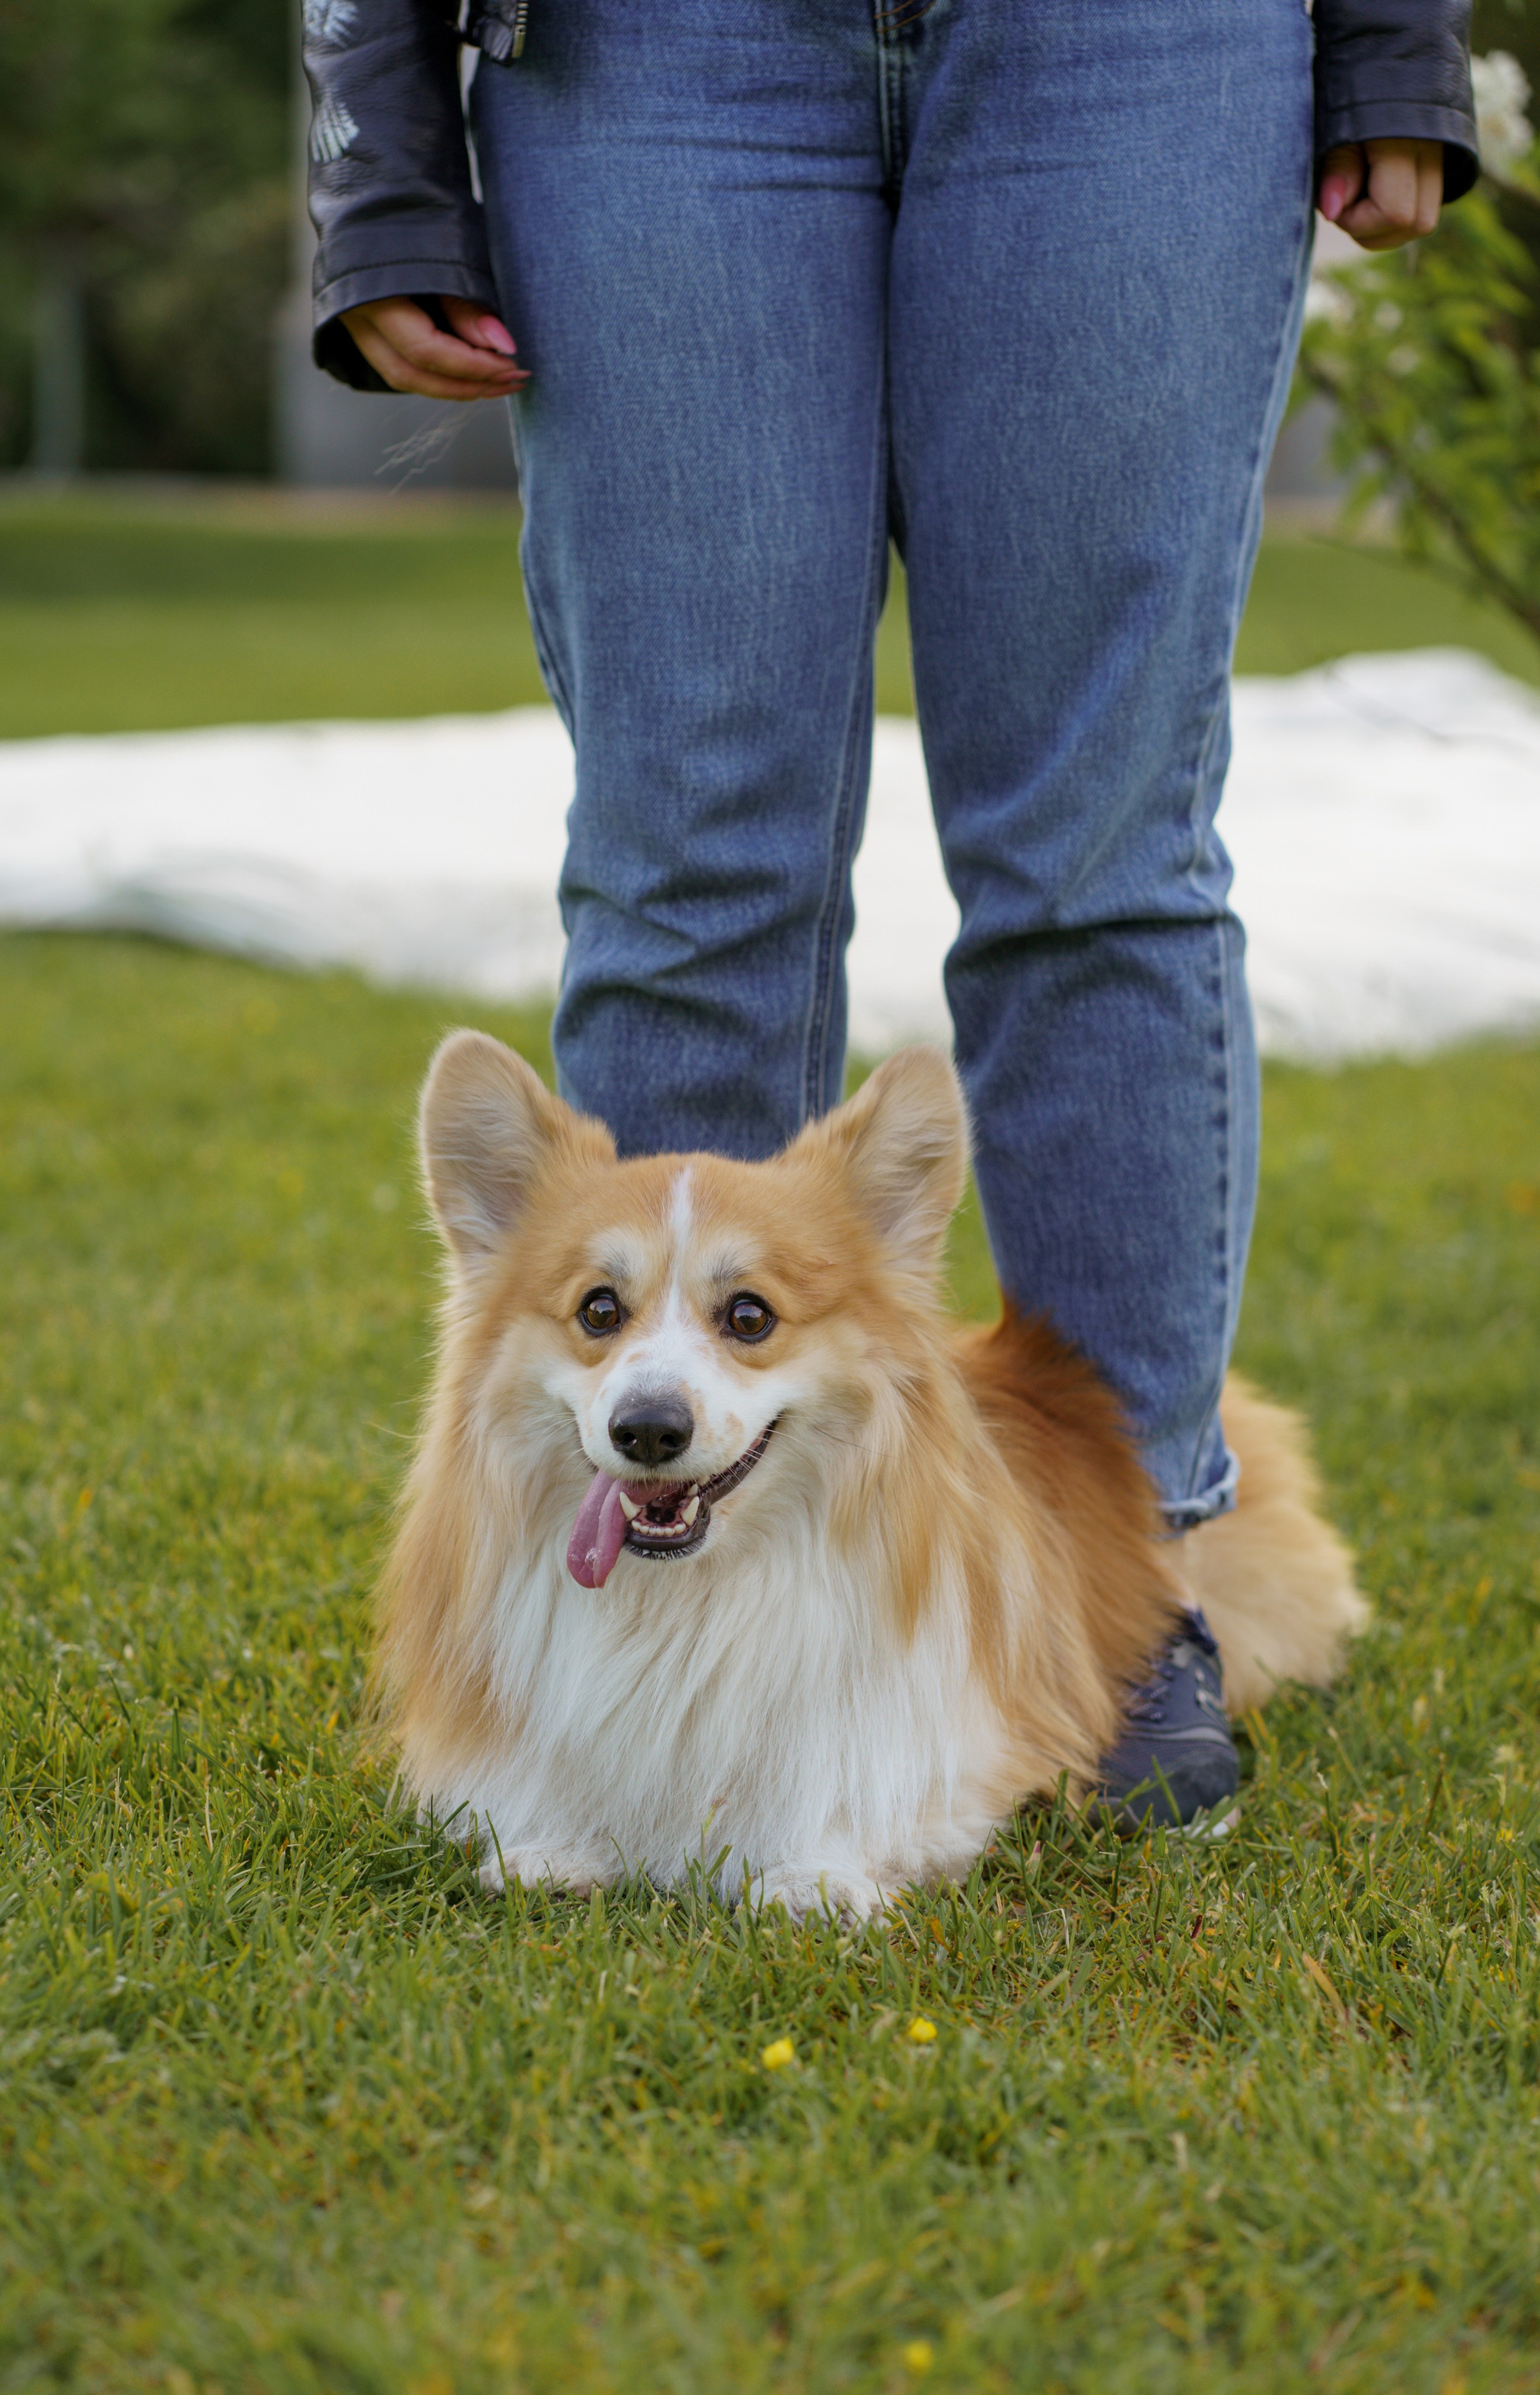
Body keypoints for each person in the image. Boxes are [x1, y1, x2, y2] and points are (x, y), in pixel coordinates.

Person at [303, 0, 1477, 1829]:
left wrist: (1396, 32)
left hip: (1138, 46)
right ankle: (621, 1639)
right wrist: (378, 135)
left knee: (1096, 861)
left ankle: (1135, 1586)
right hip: (651, 52)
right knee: (694, 858)